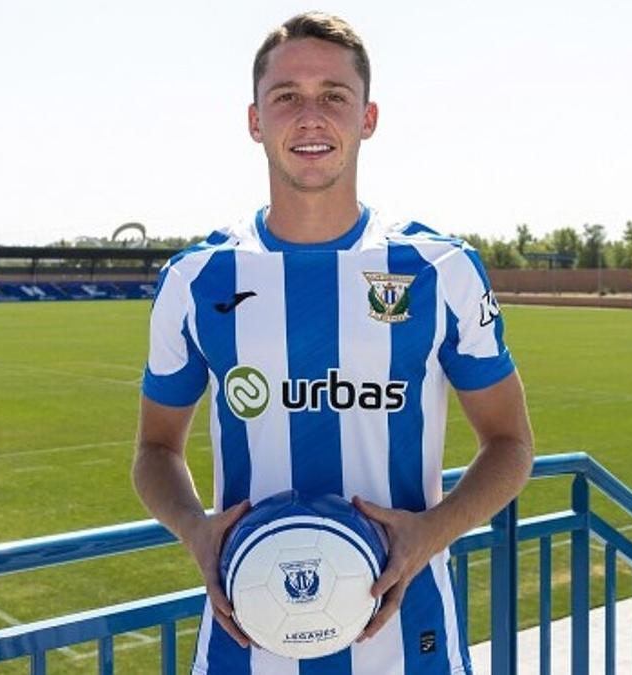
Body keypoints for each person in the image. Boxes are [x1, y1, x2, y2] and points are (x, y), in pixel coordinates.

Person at [133, 11, 533, 675]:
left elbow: (511, 443)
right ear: (255, 121)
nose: (310, 116)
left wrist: (426, 533)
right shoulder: (197, 279)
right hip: (245, 645)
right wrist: (196, 530)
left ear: (367, 118)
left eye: (334, 96)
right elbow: (154, 449)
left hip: (413, 644)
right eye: (286, 96)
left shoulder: (438, 268)